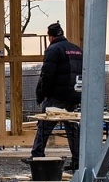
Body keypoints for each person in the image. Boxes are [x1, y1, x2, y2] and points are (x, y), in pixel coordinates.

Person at [31, 22, 84, 170]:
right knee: (72, 128)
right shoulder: (77, 49)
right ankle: (78, 160)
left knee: (44, 125)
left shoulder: (53, 49)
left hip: (57, 95)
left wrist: (43, 93)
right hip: (75, 94)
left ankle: (37, 155)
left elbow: (47, 74)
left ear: (50, 36)